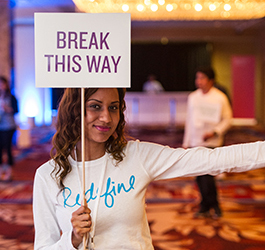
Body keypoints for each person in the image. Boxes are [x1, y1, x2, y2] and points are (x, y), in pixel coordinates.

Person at [33, 87, 265, 250]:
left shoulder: (135, 156)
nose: (106, 117)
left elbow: (212, 160)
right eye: (95, 106)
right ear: (74, 110)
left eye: (113, 107)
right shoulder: (47, 176)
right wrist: (72, 240)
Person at [182, 67, 233, 218]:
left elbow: (228, 119)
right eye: (197, 78)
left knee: (208, 175)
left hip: (213, 141)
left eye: (202, 78)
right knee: (199, 176)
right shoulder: (193, 97)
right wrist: (186, 142)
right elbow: (189, 121)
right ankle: (206, 205)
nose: (199, 81)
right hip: (196, 141)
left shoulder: (220, 97)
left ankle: (213, 205)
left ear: (211, 80)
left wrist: (215, 132)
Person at [0, 76, 18, 181]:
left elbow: (16, 110)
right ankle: (1, 170)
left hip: (8, 126)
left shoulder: (11, 97)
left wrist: (7, 109)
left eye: (2, 84)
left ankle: (9, 172)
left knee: (7, 148)